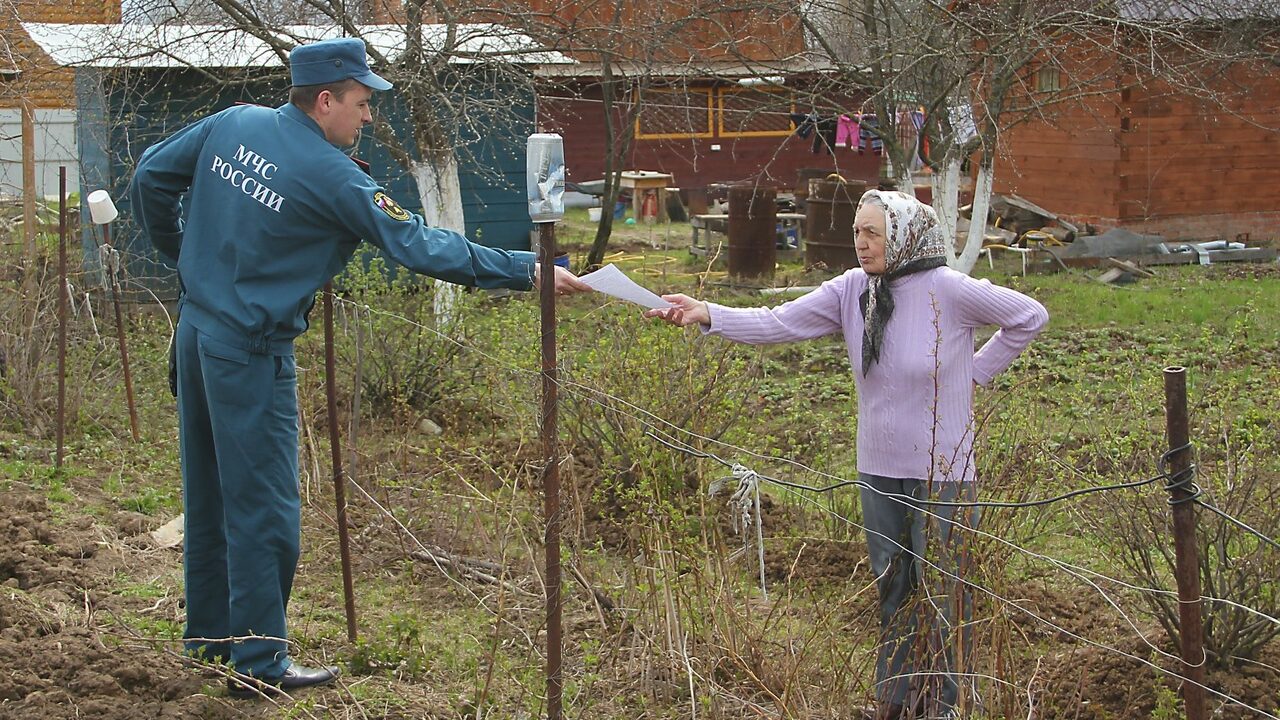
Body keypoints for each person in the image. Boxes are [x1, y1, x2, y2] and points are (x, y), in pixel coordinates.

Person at [128, 37, 590, 699]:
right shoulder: (335, 176)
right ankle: (256, 664)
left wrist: (182, 258)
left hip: (197, 332)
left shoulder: (234, 123)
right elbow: (422, 246)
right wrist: (526, 270)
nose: (369, 116)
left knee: (209, 498)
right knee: (265, 513)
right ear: (325, 101)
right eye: (362, 102)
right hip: (249, 355)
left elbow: (150, 175)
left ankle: (211, 645)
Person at [645, 189, 1047, 719]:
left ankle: (943, 706)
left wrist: (972, 373)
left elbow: (1029, 316)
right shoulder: (853, 291)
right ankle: (896, 701)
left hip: (942, 471)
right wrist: (707, 313)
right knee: (893, 587)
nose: (860, 243)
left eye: (872, 233)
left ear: (902, 236)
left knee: (944, 593)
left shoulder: (947, 289)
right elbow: (777, 322)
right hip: (878, 468)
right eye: (857, 232)